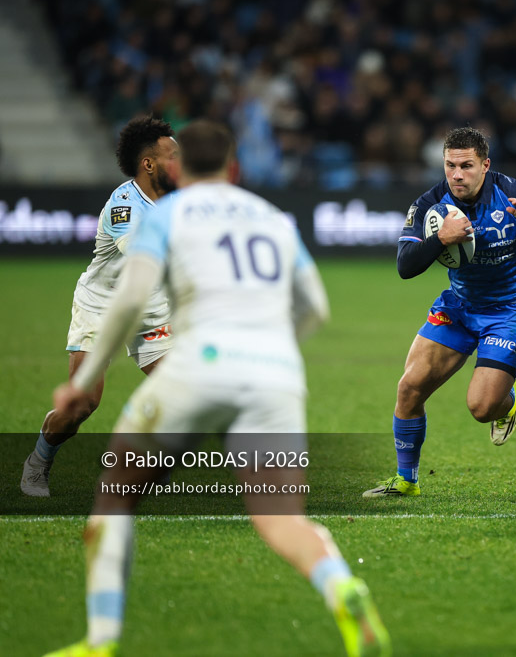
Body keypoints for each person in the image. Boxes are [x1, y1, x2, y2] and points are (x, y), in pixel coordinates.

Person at [43, 120, 390, 657]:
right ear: (233, 168)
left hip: (200, 362)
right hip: (275, 373)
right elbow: (316, 308)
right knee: (281, 517)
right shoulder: (272, 216)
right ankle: (342, 585)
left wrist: (83, 382)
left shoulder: (169, 214)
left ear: (181, 169)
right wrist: (274, 345)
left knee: (114, 494)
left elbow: (131, 299)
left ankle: (100, 640)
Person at [363, 126, 516, 497]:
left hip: (507, 312)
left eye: (466, 165)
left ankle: (507, 400)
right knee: (409, 389)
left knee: (482, 408)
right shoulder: (430, 205)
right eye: (450, 165)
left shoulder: (515, 193)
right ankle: (406, 480)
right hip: (459, 307)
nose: (457, 174)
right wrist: (440, 239)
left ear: (485, 165)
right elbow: (405, 266)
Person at [21, 115, 178, 497]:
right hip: (103, 306)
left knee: (184, 398)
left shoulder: (181, 197)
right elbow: (143, 260)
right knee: (83, 404)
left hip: (152, 309)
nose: (182, 160)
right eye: (173, 154)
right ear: (149, 164)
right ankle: (38, 462)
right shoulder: (124, 205)